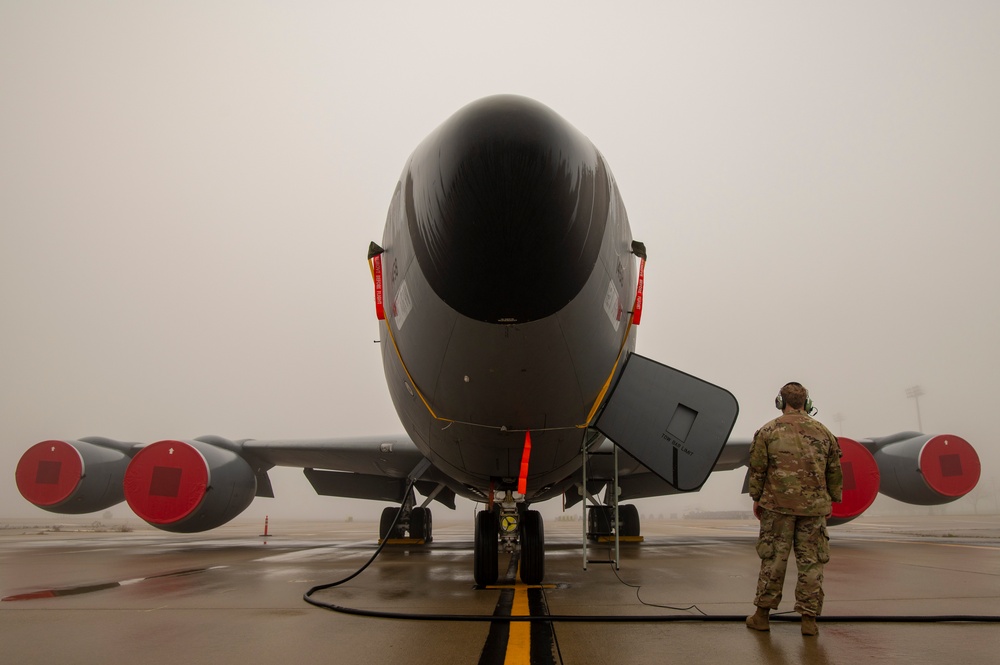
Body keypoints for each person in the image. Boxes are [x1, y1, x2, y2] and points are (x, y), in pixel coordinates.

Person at [745, 382, 843, 636]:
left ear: (781, 401)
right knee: (812, 563)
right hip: (814, 509)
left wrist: (757, 498)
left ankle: (762, 616)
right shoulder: (824, 432)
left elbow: (757, 470)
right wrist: (830, 500)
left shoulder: (768, 431)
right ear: (807, 403)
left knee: (773, 560)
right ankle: (809, 621)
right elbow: (834, 472)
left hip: (777, 507)